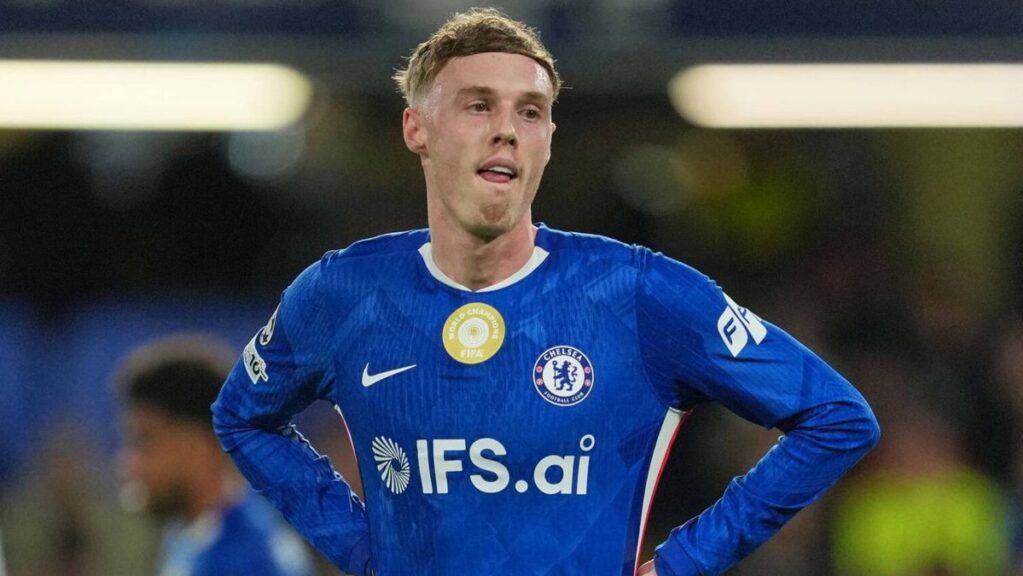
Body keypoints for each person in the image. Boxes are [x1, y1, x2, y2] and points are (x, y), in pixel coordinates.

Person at [211, 8, 880, 575]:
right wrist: (363, 549)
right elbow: (242, 415)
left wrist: (682, 564)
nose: (507, 127)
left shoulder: (637, 293)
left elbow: (837, 419)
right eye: (479, 105)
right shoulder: (344, 293)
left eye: (530, 112)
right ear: (417, 128)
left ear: (547, 140)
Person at [115, 334, 314, 576]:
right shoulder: (194, 535)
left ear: (201, 447)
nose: (129, 463)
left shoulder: (249, 564)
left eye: (145, 441)